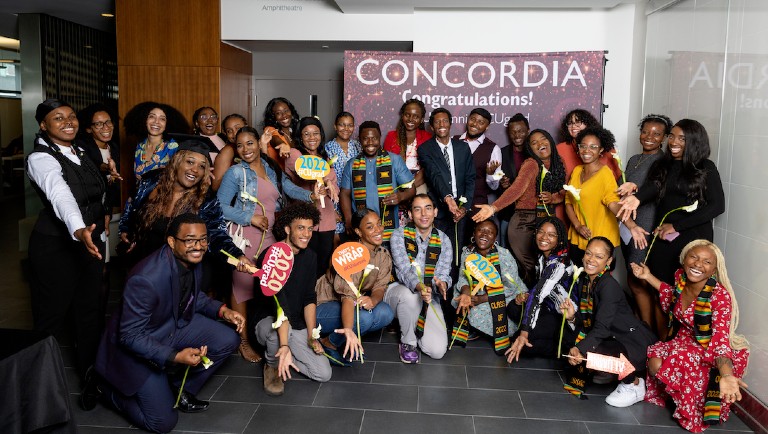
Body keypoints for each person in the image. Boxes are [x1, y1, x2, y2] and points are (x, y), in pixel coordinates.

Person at [91, 214, 243, 433]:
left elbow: (191, 295)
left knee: (229, 339)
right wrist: (174, 356)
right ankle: (104, 389)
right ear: (172, 242)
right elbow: (130, 336)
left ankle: (178, 390)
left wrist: (222, 310)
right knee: (162, 423)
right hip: (139, 344)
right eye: (190, 240)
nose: (198, 246)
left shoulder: (192, 258)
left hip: (171, 325)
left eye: (203, 240)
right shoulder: (145, 279)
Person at [217, 126, 319, 363]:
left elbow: (288, 188)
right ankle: (242, 341)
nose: (245, 149)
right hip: (247, 236)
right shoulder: (235, 173)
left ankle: (270, 333)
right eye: (240, 145)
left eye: (250, 143)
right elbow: (219, 207)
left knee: (272, 285)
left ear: (258, 143)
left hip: (272, 235)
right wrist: (249, 217)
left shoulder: (271, 167)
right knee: (242, 287)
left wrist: (310, 196)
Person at [631, 240, 749, 432]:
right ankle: (676, 395)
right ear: (684, 260)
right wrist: (648, 276)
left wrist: (726, 375)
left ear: (714, 270)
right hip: (686, 338)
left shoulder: (719, 297)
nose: (697, 264)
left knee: (680, 359)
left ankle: (691, 404)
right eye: (693, 257)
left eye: (707, 262)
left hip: (711, 348)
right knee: (654, 362)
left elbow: (719, 341)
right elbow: (672, 295)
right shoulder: (681, 278)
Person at [26, 99, 107, 380]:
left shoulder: (81, 151)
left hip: (91, 241)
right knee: (51, 316)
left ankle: (90, 376)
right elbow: (61, 195)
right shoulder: (41, 159)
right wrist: (78, 228)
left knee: (90, 310)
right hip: (56, 247)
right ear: (43, 125)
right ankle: (33, 384)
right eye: (58, 118)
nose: (68, 122)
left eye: (71, 116)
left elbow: (93, 189)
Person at [618, 119, 725, 288]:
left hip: (691, 238)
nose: (674, 142)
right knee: (659, 288)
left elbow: (717, 206)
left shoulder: (706, 167)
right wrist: (637, 198)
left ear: (694, 141)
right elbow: (654, 185)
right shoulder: (663, 164)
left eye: (682, 138)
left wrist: (676, 226)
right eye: (672, 136)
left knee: (683, 291)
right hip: (663, 237)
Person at [118, 140, 251, 271]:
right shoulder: (150, 182)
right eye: (190, 162)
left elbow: (216, 234)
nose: (195, 170)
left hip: (178, 271)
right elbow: (132, 206)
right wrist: (126, 229)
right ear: (177, 161)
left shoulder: (206, 201)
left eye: (202, 166)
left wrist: (237, 255)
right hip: (143, 265)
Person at [562, 236, 657, 406]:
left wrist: (580, 349)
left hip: (631, 341)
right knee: (570, 341)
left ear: (609, 261)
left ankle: (633, 383)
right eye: (589, 254)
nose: (591, 260)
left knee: (590, 350)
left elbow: (602, 328)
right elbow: (589, 321)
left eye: (599, 256)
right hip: (612, 338)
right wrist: (573, 317)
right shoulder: (585, 280)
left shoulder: (608, 286)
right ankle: (609, 373)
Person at [252, 202, 332, 396]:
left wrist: (312, 335)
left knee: (323, 373)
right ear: (287, 229)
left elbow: (309, 297)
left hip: (295, 322)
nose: (306, 234)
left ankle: (284, 357)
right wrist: (285, 345)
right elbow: (281, 308)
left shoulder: (310, 256)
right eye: (300, 228)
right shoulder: (271, 256)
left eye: (310, 229)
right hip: (269, 320)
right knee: (278, 336)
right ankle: (272, 365)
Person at [472, 129, 566, 286]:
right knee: (531, 267)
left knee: (545, 264)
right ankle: (526, 300)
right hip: (524, 221)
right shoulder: (531, 164)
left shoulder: (558, 163)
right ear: (530, 149)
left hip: (546, 220)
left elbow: (566, 190)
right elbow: (517, 188)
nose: (540, 144)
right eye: (534, 143)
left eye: (543, 139)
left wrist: (553, 197)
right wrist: (494, 207)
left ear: (550, 140)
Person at [314, 208, 394, 365]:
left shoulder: (382, 254)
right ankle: (329, 342)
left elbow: (380, 286)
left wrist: (373, 300)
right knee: (363, 318)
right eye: (370, 227)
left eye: (379, 224)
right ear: (358, 232)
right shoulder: (351, 254)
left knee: (385, 312)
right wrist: (349, 330)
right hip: (321, 306)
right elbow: (347, 299)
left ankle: (338, 339)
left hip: (349, 303)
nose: (378, 230)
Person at [616, 114, 671, 333]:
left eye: (656, 134)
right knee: (633, 279)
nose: (649, 137)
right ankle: (639, 325)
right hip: (626, 224)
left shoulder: (662, 162)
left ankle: (646, 332)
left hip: (643, 226)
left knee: (638, 280)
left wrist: (635, 190)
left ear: (664, 138)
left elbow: (656, 190)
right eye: (646, 131)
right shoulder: (633, 159)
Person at [564, 126, 647, 267]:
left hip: (600, 240)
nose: (586, 151)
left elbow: (613, 203)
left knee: (598, 284)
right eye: (583, 146)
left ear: (601, 150)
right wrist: (578, 226)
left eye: (593, 147)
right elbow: (568, 203)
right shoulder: (577, 171)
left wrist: (631, 226)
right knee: (577, 282)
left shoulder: (605, 174)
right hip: (579, 236)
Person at [387, 194, 452, 363]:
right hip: (399, 292)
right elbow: (404, 271)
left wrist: (442, 284)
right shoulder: (398, 235)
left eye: (428, 208)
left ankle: (413, 325)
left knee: (437, 351)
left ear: (435, 212)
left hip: (429, 297)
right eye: (417, 209)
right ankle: (407, 342)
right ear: (409, 214)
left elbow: (444, 273)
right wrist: (420, 287)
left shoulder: (444, 240)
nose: (423, 214)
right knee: (411, 297)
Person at [507, 217, 576, 362]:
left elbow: (538, 295)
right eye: (541, 232)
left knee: (522, 343)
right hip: (547, 308)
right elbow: (540, 289)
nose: (544, 237)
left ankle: (562, 346)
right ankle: (535, 334)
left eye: (551, 235)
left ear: (560, 240)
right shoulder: (543, 256)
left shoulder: (559, 264)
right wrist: (524, 297)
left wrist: (524, 334)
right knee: (513, 306)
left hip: (562, 316)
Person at [452, 219, 527, 353]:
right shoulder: (467, 252)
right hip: (478, 291)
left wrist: (482, 299)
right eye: (481, 230)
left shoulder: (504, 256)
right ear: (474, 233)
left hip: (507, 295)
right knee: (458, 299)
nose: (485, 234)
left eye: (490, 232)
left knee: (482, 312)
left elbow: (510, 287)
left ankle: (485, 330)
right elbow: (463, 277)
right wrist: (466, 293)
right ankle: (477, 328)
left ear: (495, 238)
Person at [416, 108, 475, 277]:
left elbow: (471, 178)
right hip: (440, 209)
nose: (441, 125)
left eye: (445, 121)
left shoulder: (462, 148)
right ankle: (442, 293)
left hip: (461, 209)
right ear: (432, 127)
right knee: (440, 253)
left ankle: (458, 290)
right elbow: (434, 176)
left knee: (460, 253)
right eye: (437, 122)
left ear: (450, 124)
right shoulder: (425, 149)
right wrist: (448, 200)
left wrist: (464, 207)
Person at [340, 121, 415, 244]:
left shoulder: (394, 160)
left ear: (380, 138)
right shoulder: (352, 164)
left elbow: (411, 188)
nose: (370, 143)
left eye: (374, 138)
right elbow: (344, 193)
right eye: (365, 139)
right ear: (359, 140)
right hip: (361, 228)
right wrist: (348, 219)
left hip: (388, 227)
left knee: (387, 259)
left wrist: (401, 196)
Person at [286, 117, 339, 275]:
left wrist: (330, 185)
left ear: (321, 135)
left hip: (327, 219)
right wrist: (326, 178)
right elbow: (305, 172)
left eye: (315, 133)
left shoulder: (325, 157)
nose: (312, 137)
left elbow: (335, 188)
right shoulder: (294, 155)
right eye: (307, 134)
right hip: (305, 220)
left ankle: (320, 299)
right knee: (304, 266)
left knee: (323, 266)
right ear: (300, 137)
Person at [454, 108, 503, 219]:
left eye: (481, 122)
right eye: (473, 119)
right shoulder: (453, 141)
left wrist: (490, 175)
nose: (475, 124)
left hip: (477, 206)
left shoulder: (494, 148)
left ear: (487, 127)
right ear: (468, 120)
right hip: (453, 204)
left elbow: (496, 184)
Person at [77, 103, 122, 218]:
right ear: (88, 129)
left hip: (109, 207)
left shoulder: (115, 147)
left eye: (108, 122)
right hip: (87, 211)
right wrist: (107, 168)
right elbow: (90, 163)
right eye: (98, 124)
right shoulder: (81, 147)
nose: (106, 127)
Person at [125, 102, 185, 181]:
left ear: (167, 124)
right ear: (144, 120)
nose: (156, 121)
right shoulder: (140, 146)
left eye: (162, 119)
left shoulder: (173, 147)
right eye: (152, 117)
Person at [555, 108, 620, 182]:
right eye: (570, 123)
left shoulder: (606, 148)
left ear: (588, 124)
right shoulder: (560, 149)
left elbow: (618, 178)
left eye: (578, 122)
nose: (573, 126)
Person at [325, 111, 361, 239]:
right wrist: (332, 210)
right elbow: (324, 179)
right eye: (342, 125)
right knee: (337, 239)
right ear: (335, 126)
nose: (346, 129)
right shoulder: (327, 148)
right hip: (335, 199)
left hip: (356, 197)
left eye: (350, 125)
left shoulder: (359, 146)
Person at [383, 98, 431, 193]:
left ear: (421, 120)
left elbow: (427, 168)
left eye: (416, 116)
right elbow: (386, 165)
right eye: (407, 115)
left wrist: (409, 189)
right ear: (402, 116)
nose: (410, 119)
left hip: (419, 182)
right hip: (396, 182)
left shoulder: (427, 137)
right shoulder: (391, 136)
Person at [497, 113, 531, 247]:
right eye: (513, 132)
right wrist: (502, 185)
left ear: (528, 130)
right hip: (508, 213)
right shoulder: (501, 153)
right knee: (505, 250)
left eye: (521, 131)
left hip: (530, 214)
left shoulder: (535, 154)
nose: (517, 135)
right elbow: (495, 181)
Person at [211, 113, 247, 191]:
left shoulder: (253, 147)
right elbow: (215, 186)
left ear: (246, 127)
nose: (235, 134)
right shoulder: (228, 151)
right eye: (229, 131)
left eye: (238, 128)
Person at [262, 97, 300, 170]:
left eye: (286, 111)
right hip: (278, 178)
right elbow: (275, 138)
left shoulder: (295, 131)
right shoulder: (270, 130)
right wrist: (282, 145)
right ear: (273, 117)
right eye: (278, 113)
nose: (284, 115)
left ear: (291, 112)